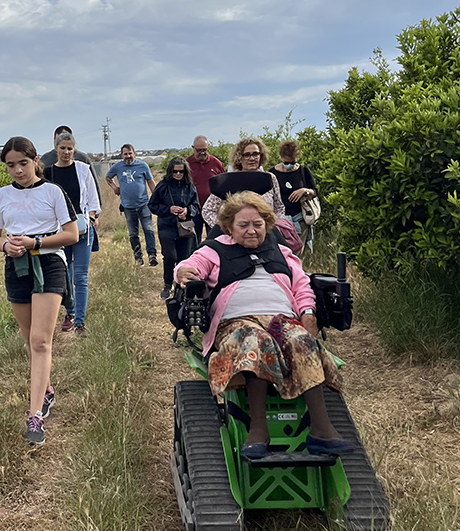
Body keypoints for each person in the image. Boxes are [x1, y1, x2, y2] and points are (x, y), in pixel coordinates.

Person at [175, 191, 350, 459]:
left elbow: (302, 287)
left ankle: (321, 429)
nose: (251, 231)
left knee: (302, 341)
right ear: (229, 227)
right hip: (235, 325)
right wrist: (185, 272)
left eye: (257, 224)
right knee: (255, 340)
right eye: (243, 225)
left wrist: (308, 315)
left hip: (281, 320)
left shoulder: (281, 252)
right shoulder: (214, 250)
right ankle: (258, 428)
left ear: (266, 224)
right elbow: (191, 265)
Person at [0, 136, 79, 446]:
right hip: (16, 267)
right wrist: (6, 247)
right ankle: (47, 389)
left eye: (23, 163)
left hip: (49, 263)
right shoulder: (1, 196)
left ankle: (35, 414)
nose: (17, 170)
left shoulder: (53, 192)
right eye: (11, 165)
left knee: (41, 340)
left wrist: (36, 243)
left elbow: (71, 234)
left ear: (35, 160)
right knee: (29, 337)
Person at [44, 131, 101, 337]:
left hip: (83, 229)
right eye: (62, 148)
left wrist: (92, 219)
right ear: (56, 149)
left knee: (81, 276)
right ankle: (70, 311)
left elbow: (93, 200)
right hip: (61, 230)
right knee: (65, 274)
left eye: (70, 148)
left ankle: (80, 322)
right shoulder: (49, 173)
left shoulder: (83, 169)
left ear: (74, 150)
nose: (66, 152)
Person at [201, 137, 286, 229]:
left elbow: (279, 207)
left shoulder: (270, 178)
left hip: (267, 235)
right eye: (246, 155)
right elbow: (207, 210)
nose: (252, 158)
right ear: (239, 157)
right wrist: (226, 228)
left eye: (255, 154)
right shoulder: (229, 180)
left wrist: (276, 226)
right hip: (237, 238)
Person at [148, 157, 200, 299]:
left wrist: (187, 211)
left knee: (183, 259)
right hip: (166, 226)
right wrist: (168, 209)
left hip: (184, 227)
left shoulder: (189, 186)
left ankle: (180, 287)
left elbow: (196, 206)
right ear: (171, 171)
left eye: (181, 172)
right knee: (170, 256)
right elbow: (152, 205)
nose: (178, 174)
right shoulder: (163, 185)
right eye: (175, 172)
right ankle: (167, 284)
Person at [106, 144, 158, 267]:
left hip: (144, 204)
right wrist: (114, 188)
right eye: (125, 154)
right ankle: (138, 258)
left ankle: (152, 256)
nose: (128, 156)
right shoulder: (117, 167)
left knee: (148, 230)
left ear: (134, 154)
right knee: (133, 233)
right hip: (128, 206)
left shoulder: (143, 166)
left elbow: (150, 181)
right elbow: (108, 177)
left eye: (130, 153)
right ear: (121, 155)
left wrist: (156, 196)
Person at [272, 140, 318, 253]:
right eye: (286, 163)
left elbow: (315, 191)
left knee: (298, 255)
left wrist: (304, 191)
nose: (290, 166)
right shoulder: (273, 173)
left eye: (292, 162)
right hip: (281, 222)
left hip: (300, 219)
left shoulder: (303, 170)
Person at [186, 135, 226, 241]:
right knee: (193, 240)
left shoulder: (217, 164)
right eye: (199, 150)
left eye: (204, 150)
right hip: (193, 210)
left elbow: (224, 185)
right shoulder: (186, 164)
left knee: (214, 239)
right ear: (193, 148)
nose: (202, 153)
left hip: (213, 210)